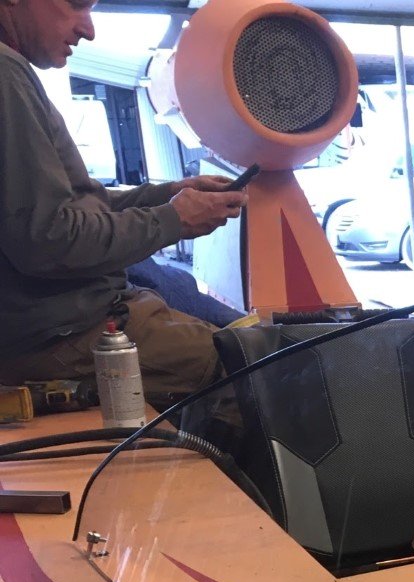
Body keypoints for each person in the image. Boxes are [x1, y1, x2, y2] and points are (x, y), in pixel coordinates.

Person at [0, 0, 248, 402]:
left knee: (238, 331)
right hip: (64, 336)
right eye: (75, 4)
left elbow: (65, 211)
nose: (88, 30)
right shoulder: (5, 73)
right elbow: (49, 238)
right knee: (267, 372)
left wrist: (167, 196)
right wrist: (173, 220)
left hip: (79, 318)